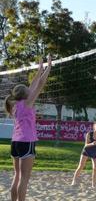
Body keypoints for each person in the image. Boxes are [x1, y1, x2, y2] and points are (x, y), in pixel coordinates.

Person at [4, 55, 52, 201]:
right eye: (27, 89)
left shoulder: (15, 105)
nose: (29, 88)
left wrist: (39, 68)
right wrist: (49, 66)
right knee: (24, 178)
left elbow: (33, 84)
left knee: (17, 176)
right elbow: (40, 84)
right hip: (26, 142)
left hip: (15, 143)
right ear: (25, 94)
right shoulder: (27, 103)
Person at [71, 121, 96, 188]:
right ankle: (74, 180)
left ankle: (93, 184)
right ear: (93, 127)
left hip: (95, 153)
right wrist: (92, 144)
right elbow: (85, 145)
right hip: (86, 151)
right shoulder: (89, 134)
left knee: (95, 168)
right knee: (81, 166)